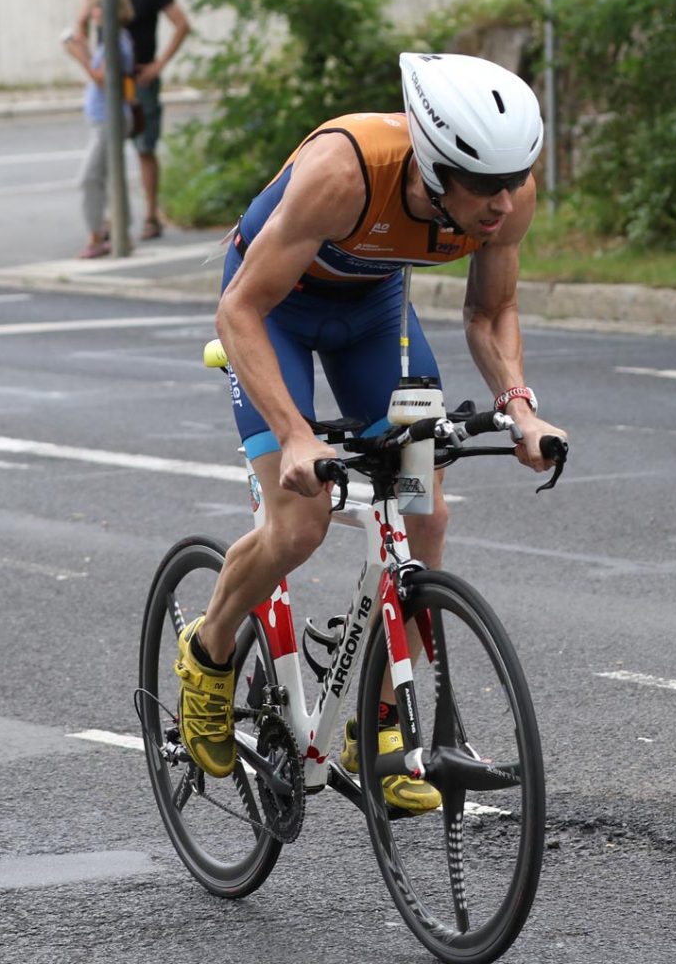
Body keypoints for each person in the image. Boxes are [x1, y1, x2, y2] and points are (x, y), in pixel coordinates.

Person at [174, 53, 568, 813]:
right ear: (434, 166)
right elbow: (239, 311)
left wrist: (519, 408)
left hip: (374, 316)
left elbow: (491, 312)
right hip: (273, 310)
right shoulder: (344, 172)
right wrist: (295, 434)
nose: (504, 201)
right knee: (300, 523)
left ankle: (382, 723)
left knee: (425, 513)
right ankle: (209, 649)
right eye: (485, 184)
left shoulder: (507, 199)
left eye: (516, 178)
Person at [75, 0, 190, 240]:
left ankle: (150, 215)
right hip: (111, 80)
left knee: (144, 145)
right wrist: (90, 53)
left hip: (140, 77)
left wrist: (157, 65)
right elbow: (81, 22)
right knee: (107, 153)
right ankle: (114, 219)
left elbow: (181, 24)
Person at [63, 0, 135, 258]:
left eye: (97, 6)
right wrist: (83, 48)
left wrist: (78, 55)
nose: (93, 12)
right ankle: (120, 233)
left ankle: (97, 235)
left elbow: (105, 81)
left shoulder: (116, 41)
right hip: (104, 119)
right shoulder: (113, 40)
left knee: (90, 178)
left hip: (109, 121)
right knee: (111, 178)